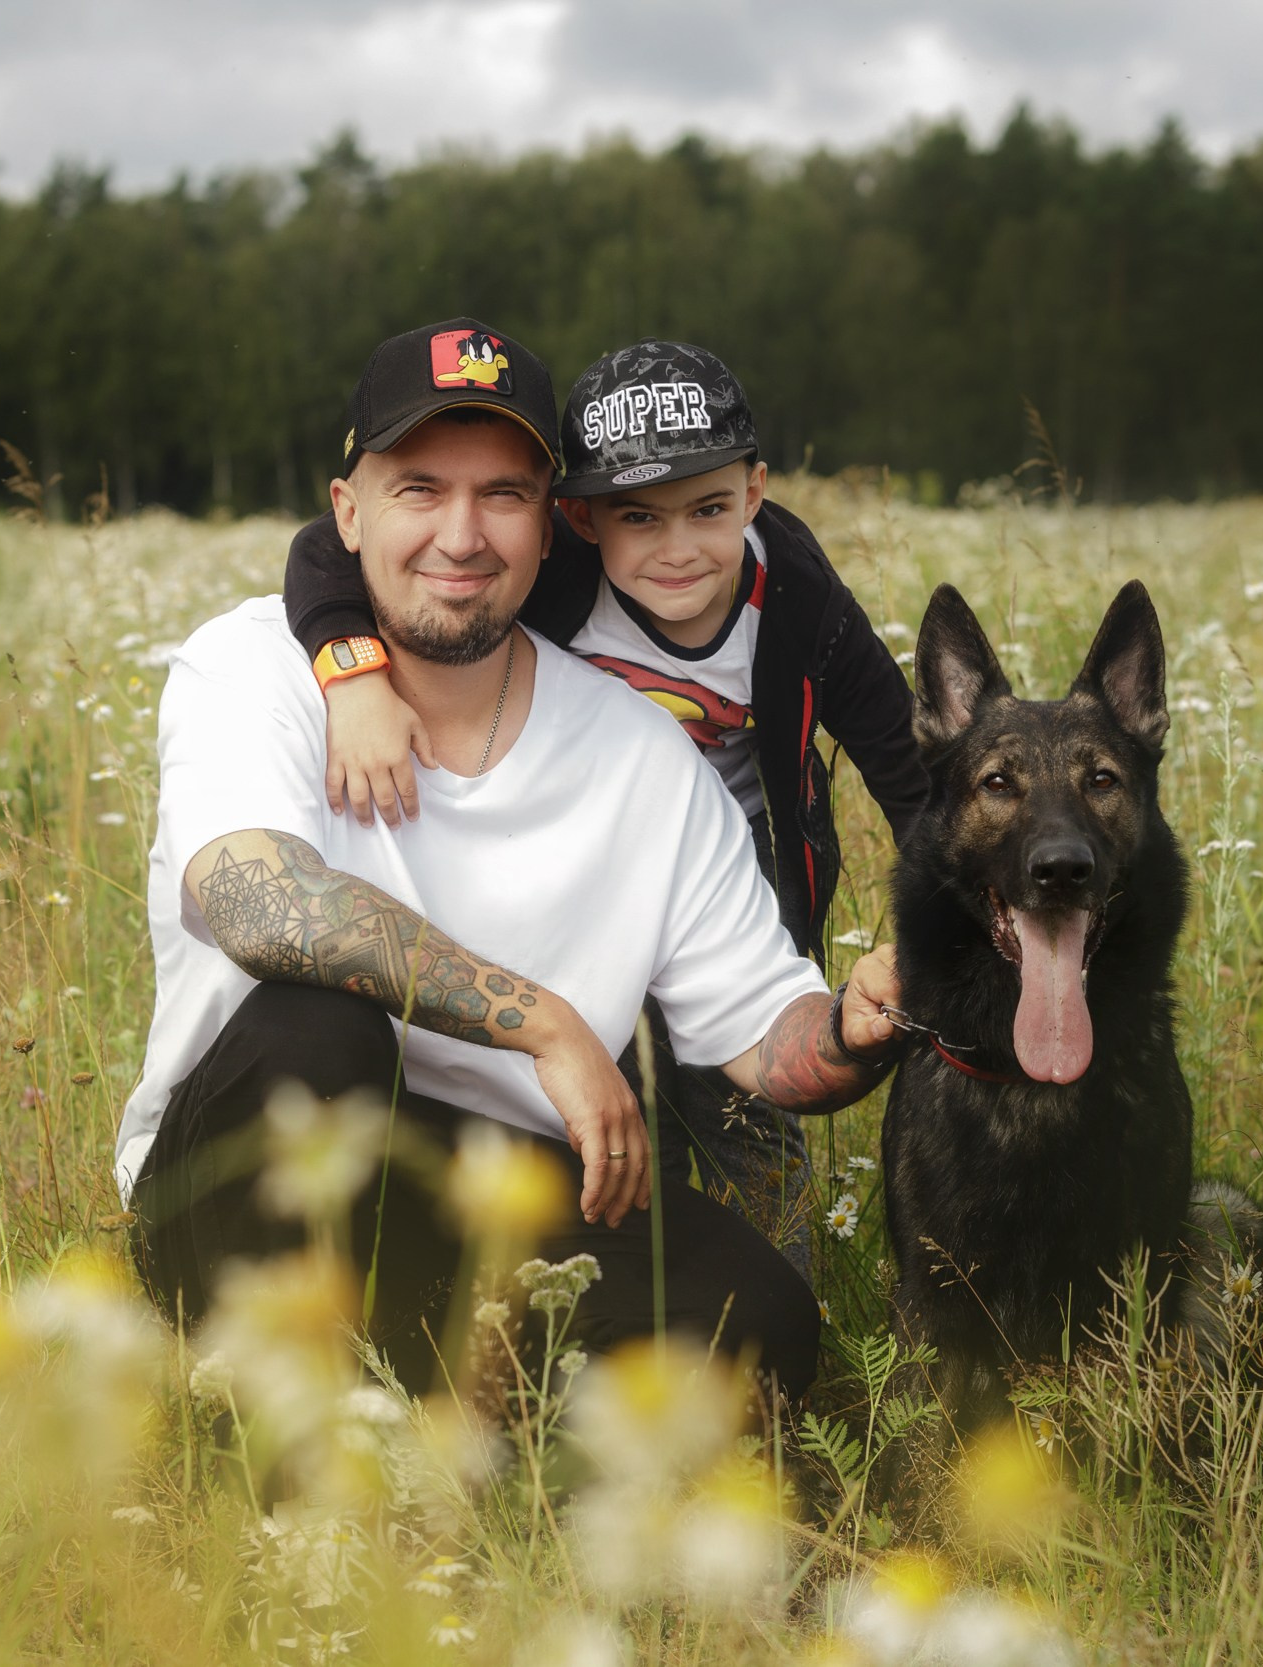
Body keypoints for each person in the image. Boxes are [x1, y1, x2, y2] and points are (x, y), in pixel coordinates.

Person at [120, 319, 904, 1398]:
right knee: (316, 1024)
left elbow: (764, 1037)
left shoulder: (639, 751)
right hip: (248, 1174)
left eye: (502, 494)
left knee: (758, 1316)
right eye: (419, 488)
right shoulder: (250, 666)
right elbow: (260, 906)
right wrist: (544, 1022)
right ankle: (264, 1412)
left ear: (551, 529)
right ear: (347, 510)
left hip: (502, 1206)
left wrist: (862, 1024)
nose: (461, 532)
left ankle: (462, 1433)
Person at [281, 336, 926, 1274]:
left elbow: (906, 766)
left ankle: (789, 1305)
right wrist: (353, 673)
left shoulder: (795, 596)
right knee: (620, 1086)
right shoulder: (555, 577)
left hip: (741, 865)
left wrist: (929, 926)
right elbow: (322, 551)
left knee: (746, 1116)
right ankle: (633, 1268)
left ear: (755, 493)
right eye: (638, 516)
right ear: (577, 520)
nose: (676, 550)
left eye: (709, 509)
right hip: (593, 861)